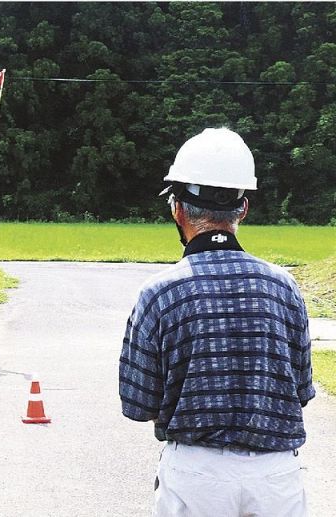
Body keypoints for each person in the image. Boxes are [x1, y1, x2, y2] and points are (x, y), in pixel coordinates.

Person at [119, 128, 315, 516]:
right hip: (276, 476)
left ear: (176, 209)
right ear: (242, 208)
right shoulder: (284, 287)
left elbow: (137, 402)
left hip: (196, 475)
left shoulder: (158, 293)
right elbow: (302, 390)